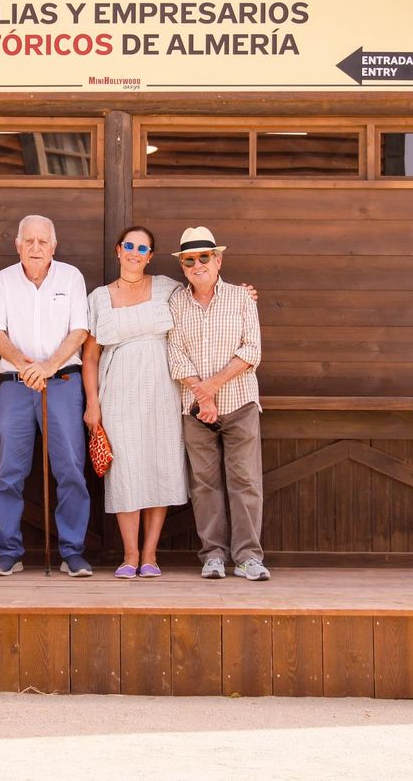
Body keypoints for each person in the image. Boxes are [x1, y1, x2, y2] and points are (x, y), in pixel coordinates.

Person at [0, 214, 92, 577]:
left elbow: (80, 332)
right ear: (18, 245)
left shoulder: (71, 277)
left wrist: (47, 366)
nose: (36, 248)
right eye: (29, 241)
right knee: (10, 470)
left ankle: (72, 552)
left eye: (43, 242)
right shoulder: (5, 280)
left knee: (71, 468)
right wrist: (27, 365)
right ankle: (9, 550)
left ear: (53, 246)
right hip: (16, 385)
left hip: (62, 383)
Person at [82, 226, 187, 579]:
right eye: (129, 245)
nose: (134, 252)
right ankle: (129, 554)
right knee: (125, 471)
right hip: (118, 393)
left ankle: (150, 555)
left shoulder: (168, 290)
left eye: (142, 248)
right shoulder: (99, 297)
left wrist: (243, 294)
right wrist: (92, 403)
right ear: (118, 250)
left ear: (150, 255)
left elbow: (204, 298)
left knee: (159, 467)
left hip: (162, 391)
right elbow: (91, 357)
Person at [167, 226, 269, 582]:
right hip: (196, 412)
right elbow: (176, 357)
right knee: (204, 485)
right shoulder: (176, 303)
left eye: (204, 257)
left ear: (218, 259)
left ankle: (248, 558)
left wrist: (210, 389)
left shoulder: (242, 298)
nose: (197, 264)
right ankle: (213, 555)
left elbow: (251, 350)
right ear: (182, 266)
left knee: (245, 482)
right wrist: (203, 397)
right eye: (189, 259)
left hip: (239, 403)